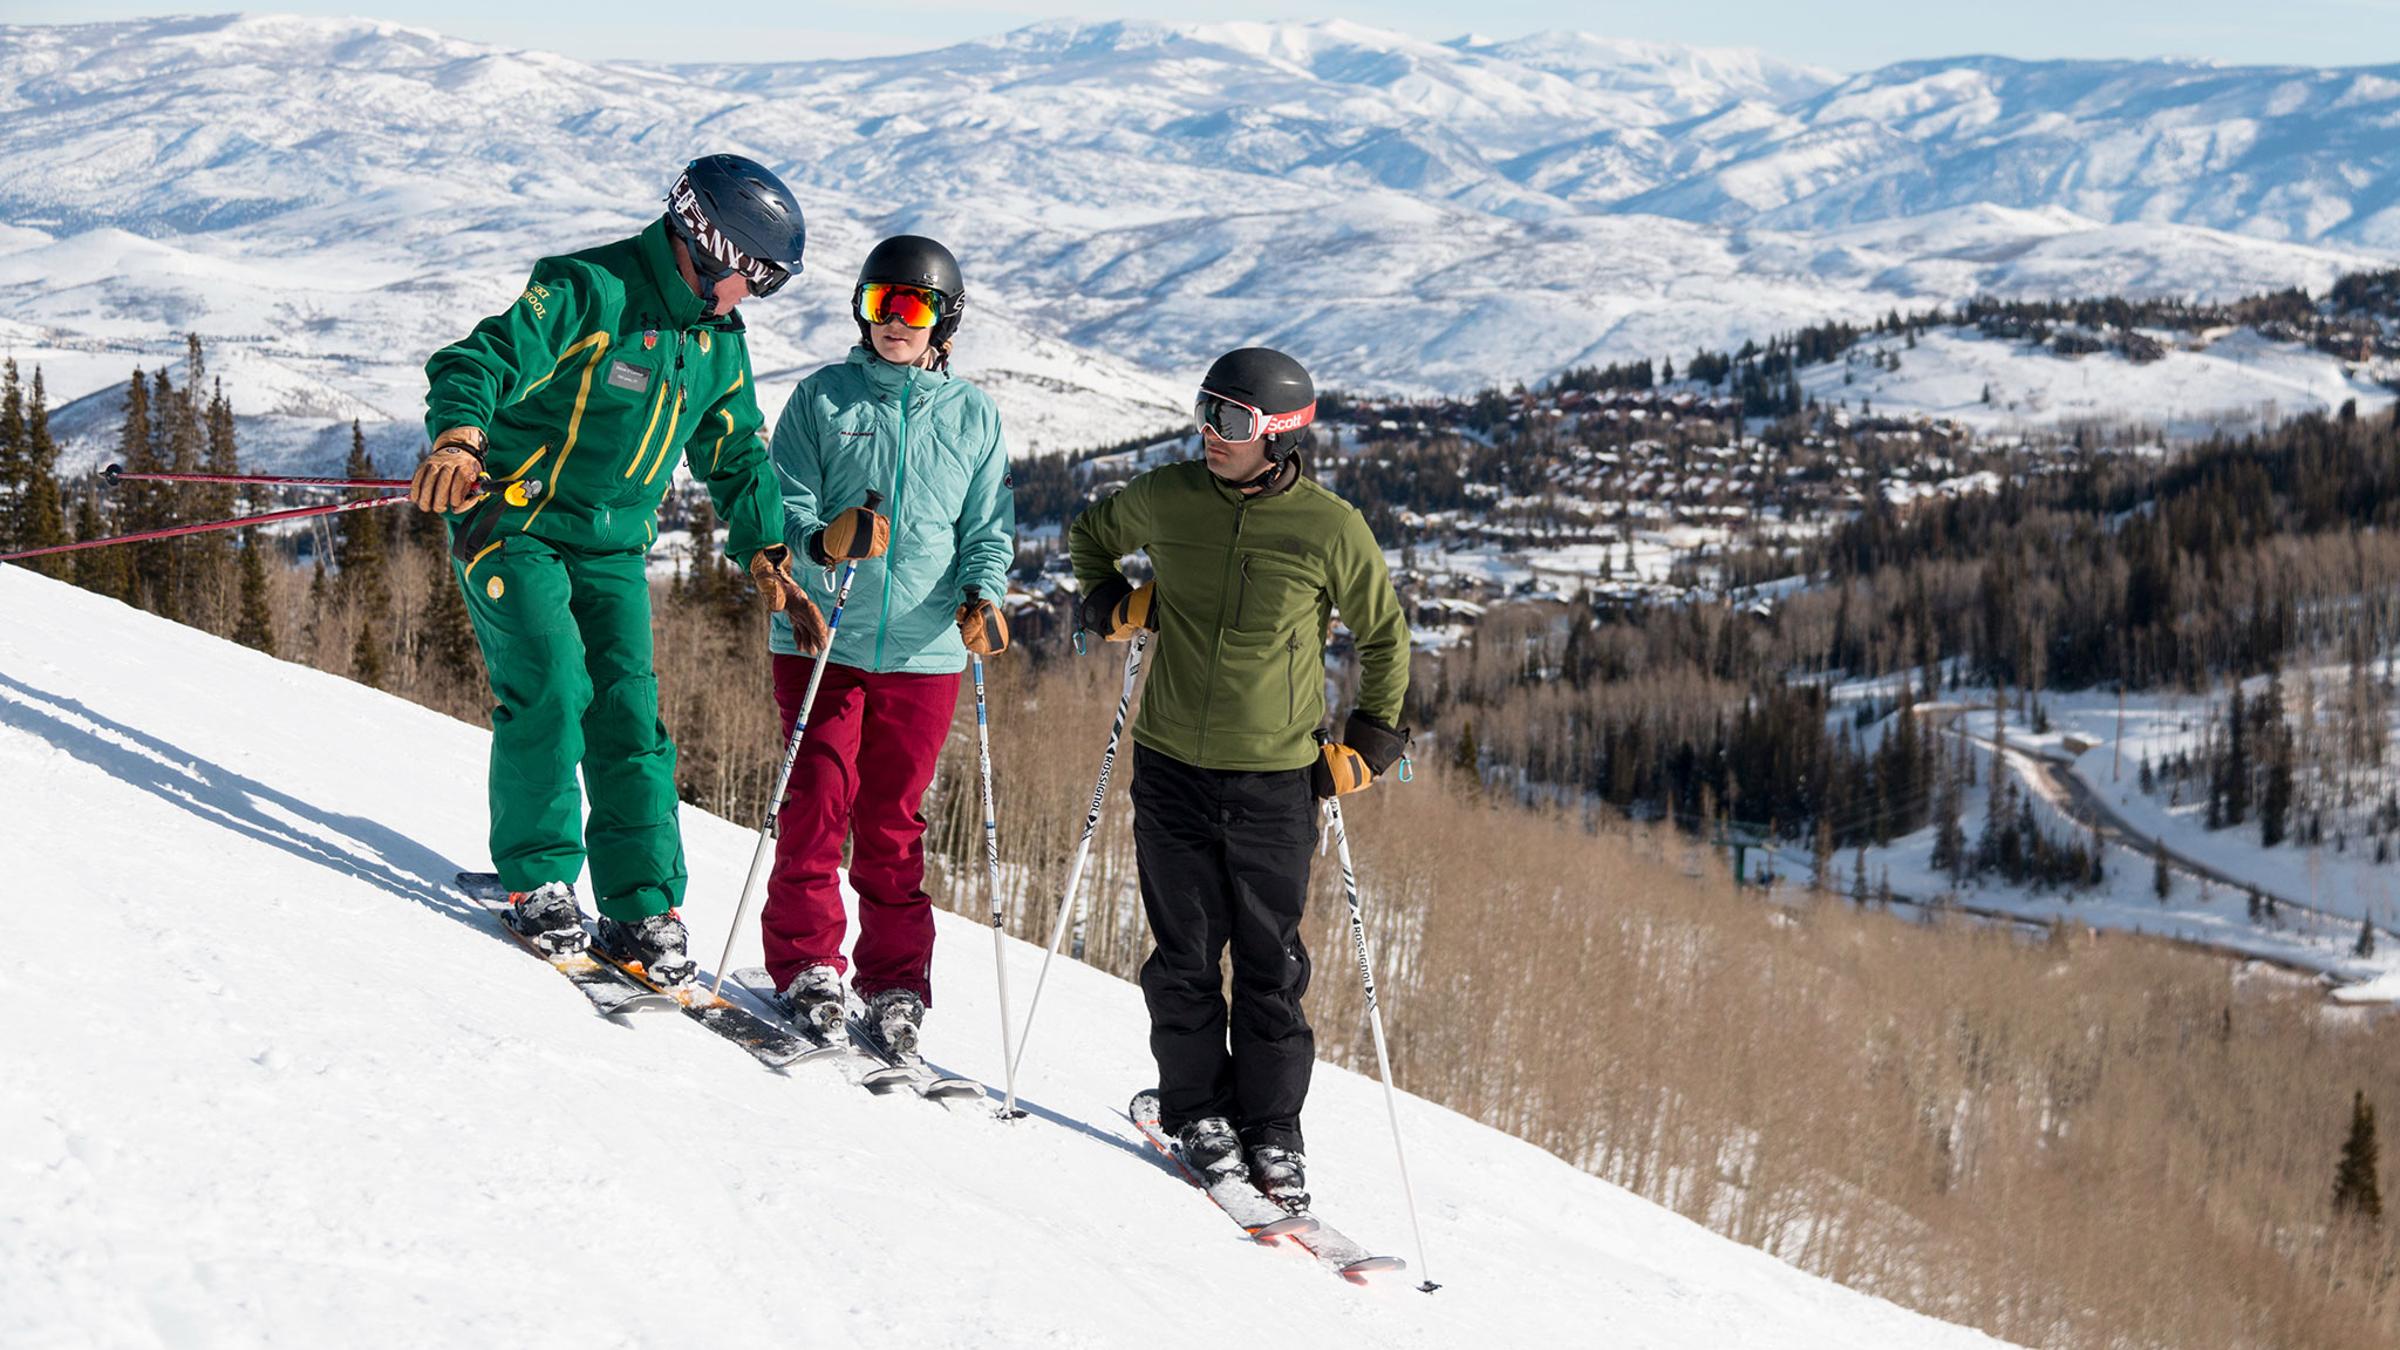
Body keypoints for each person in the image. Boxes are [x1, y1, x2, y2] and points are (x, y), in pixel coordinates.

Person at [410, 154, 812, 985]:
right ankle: (540, 880)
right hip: (514, 523)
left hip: (611, 548)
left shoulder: (713, 342)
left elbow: (736, 450)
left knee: (630, 716)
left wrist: (765, 549)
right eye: (756, 277)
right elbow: (475, 361)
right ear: (707, 243)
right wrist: (459, 436)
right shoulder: (590, 291)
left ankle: (641, 909)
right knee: (554, 685)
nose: (754, 298)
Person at [1067, 346, 1411, 1208]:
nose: (1208, 434)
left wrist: (1370, 744)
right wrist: (1110, 602)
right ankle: (1198, 1114)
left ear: (1281, 435)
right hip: (1173, 766)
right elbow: (1091, 537)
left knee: (1270, 965)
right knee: (1183, 956)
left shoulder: (1330, 527)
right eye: (1203, 411)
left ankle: (1274, 1132)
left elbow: (1385, 638)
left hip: (1276, 780)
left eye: (1229, 421)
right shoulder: (1171, 497)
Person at [759, 235, 1015, 1053]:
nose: (892, 323)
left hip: (924, 651)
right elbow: (782, 502)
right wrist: (821, 541)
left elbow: (986, 531)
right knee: (816, 805)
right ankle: (807, 964)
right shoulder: (823, 398)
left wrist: (984, 598)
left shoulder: (973, 415)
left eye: (910, 308)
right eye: (878, 305)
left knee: (893, 824)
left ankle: (895, 982)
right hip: (822, 635)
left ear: (945, 321)